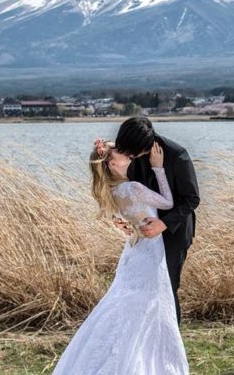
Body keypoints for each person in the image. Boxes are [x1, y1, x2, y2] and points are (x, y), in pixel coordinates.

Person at [52, 139, 189, 375]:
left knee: (126, 306)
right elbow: (168, 202)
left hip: (134, 253)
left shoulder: (113, 192)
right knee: (149, 307)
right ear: (113, 163)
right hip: (148, 254)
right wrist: (158, 168)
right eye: (121, 151)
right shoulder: (132, 188)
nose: (128, 153)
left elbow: (126, 225)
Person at [114, 117, 200, 324]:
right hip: (144, 234)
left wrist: (164, 224)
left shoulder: (177, 155)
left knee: (167, 287)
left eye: (131, 153)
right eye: (126, 152)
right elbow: (130, 194)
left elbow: (192, 198)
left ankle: (171, 340)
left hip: (174, 233)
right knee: (143, 286)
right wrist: (121, 219)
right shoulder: (130, 154)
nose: (128, 156)